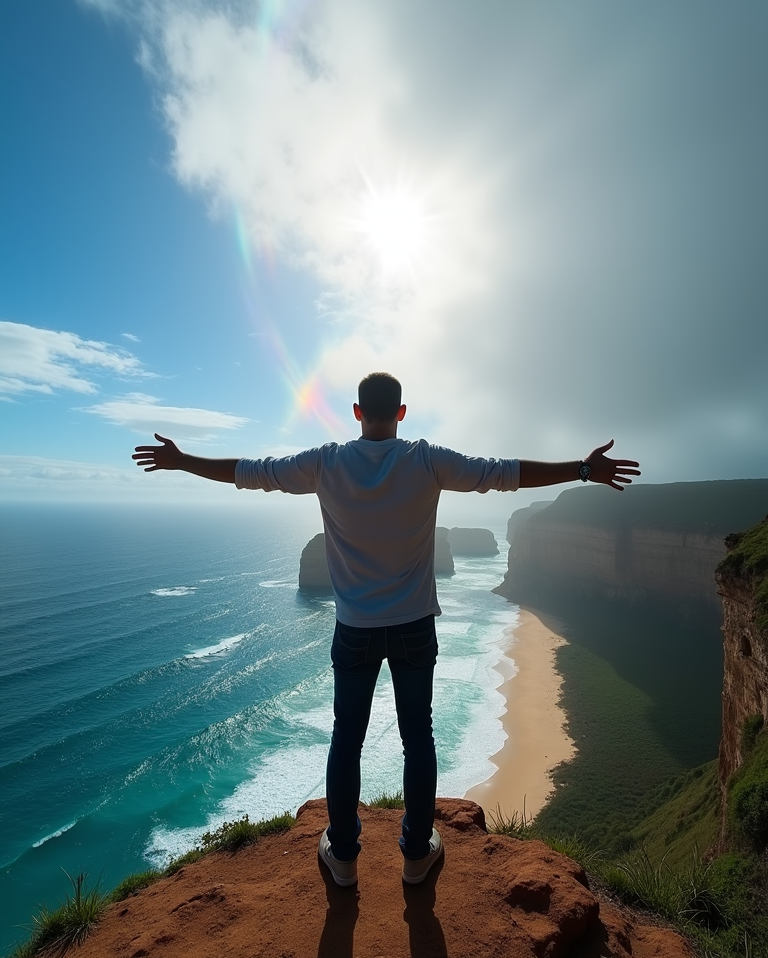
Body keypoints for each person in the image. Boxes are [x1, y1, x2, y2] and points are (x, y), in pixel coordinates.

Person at [132, 372, 640, 888]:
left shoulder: (326, 462)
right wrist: (581, 468)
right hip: (415, 625)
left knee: (346, 739)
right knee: (417, 735)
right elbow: (502, 473)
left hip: (354, 629)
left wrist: (183, 461)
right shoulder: (425, 459)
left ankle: (345, 857)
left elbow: (250, 472)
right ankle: (417, 855)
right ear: (401, 412)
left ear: (356, 412)